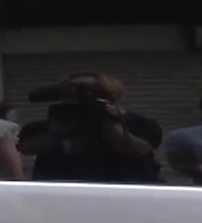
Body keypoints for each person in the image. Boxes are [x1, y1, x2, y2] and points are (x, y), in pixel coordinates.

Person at [18, 71, 161, 183]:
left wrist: (109, 121)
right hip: (61, 194)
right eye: (71, 89)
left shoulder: (136, 123)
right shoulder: (48, 124)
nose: (78, 95)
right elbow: (27, 148)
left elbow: (138, 150)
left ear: (110, 95)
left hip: (123, 192)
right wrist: (56, 132)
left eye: (91, 90)